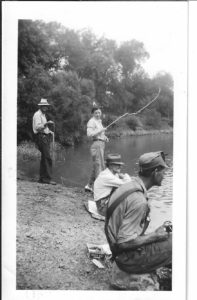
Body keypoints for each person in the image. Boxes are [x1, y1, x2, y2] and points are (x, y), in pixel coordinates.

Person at [105, 151, 172, 275]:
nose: (164, 175)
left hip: (117, 249)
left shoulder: (130, 185)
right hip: (126, 260)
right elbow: (123, 243)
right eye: (163, 171)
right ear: (155, 172)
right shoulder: (139, 200)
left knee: (166, 237)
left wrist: (155, 235)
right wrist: (155, 236)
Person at [32, 98, 56, 185]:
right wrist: (47, 124)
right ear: (40, 106)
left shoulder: (43, 115)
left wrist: (50, 131)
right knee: (47, 158)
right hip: (40, 137)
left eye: (46, 106)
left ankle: (42, 179)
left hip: (44, 136)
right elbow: (38, 127)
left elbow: (44, 128)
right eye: (44, 106)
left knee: (44, 158)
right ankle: (47, 179)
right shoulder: (37, 115)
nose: (45, 107)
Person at [85, 106, 108, 192]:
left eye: (99, 112)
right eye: (96, 113)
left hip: (101, 144)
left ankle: (89, 186)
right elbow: (89, 134)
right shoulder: (91, 121)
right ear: (92, 114)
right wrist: (101, 130)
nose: (98, 114)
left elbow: (100, 134)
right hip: (96, 145)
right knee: (99, 166)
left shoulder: (99, 122)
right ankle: (98, 190)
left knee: (97, 166)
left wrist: (105, 137)